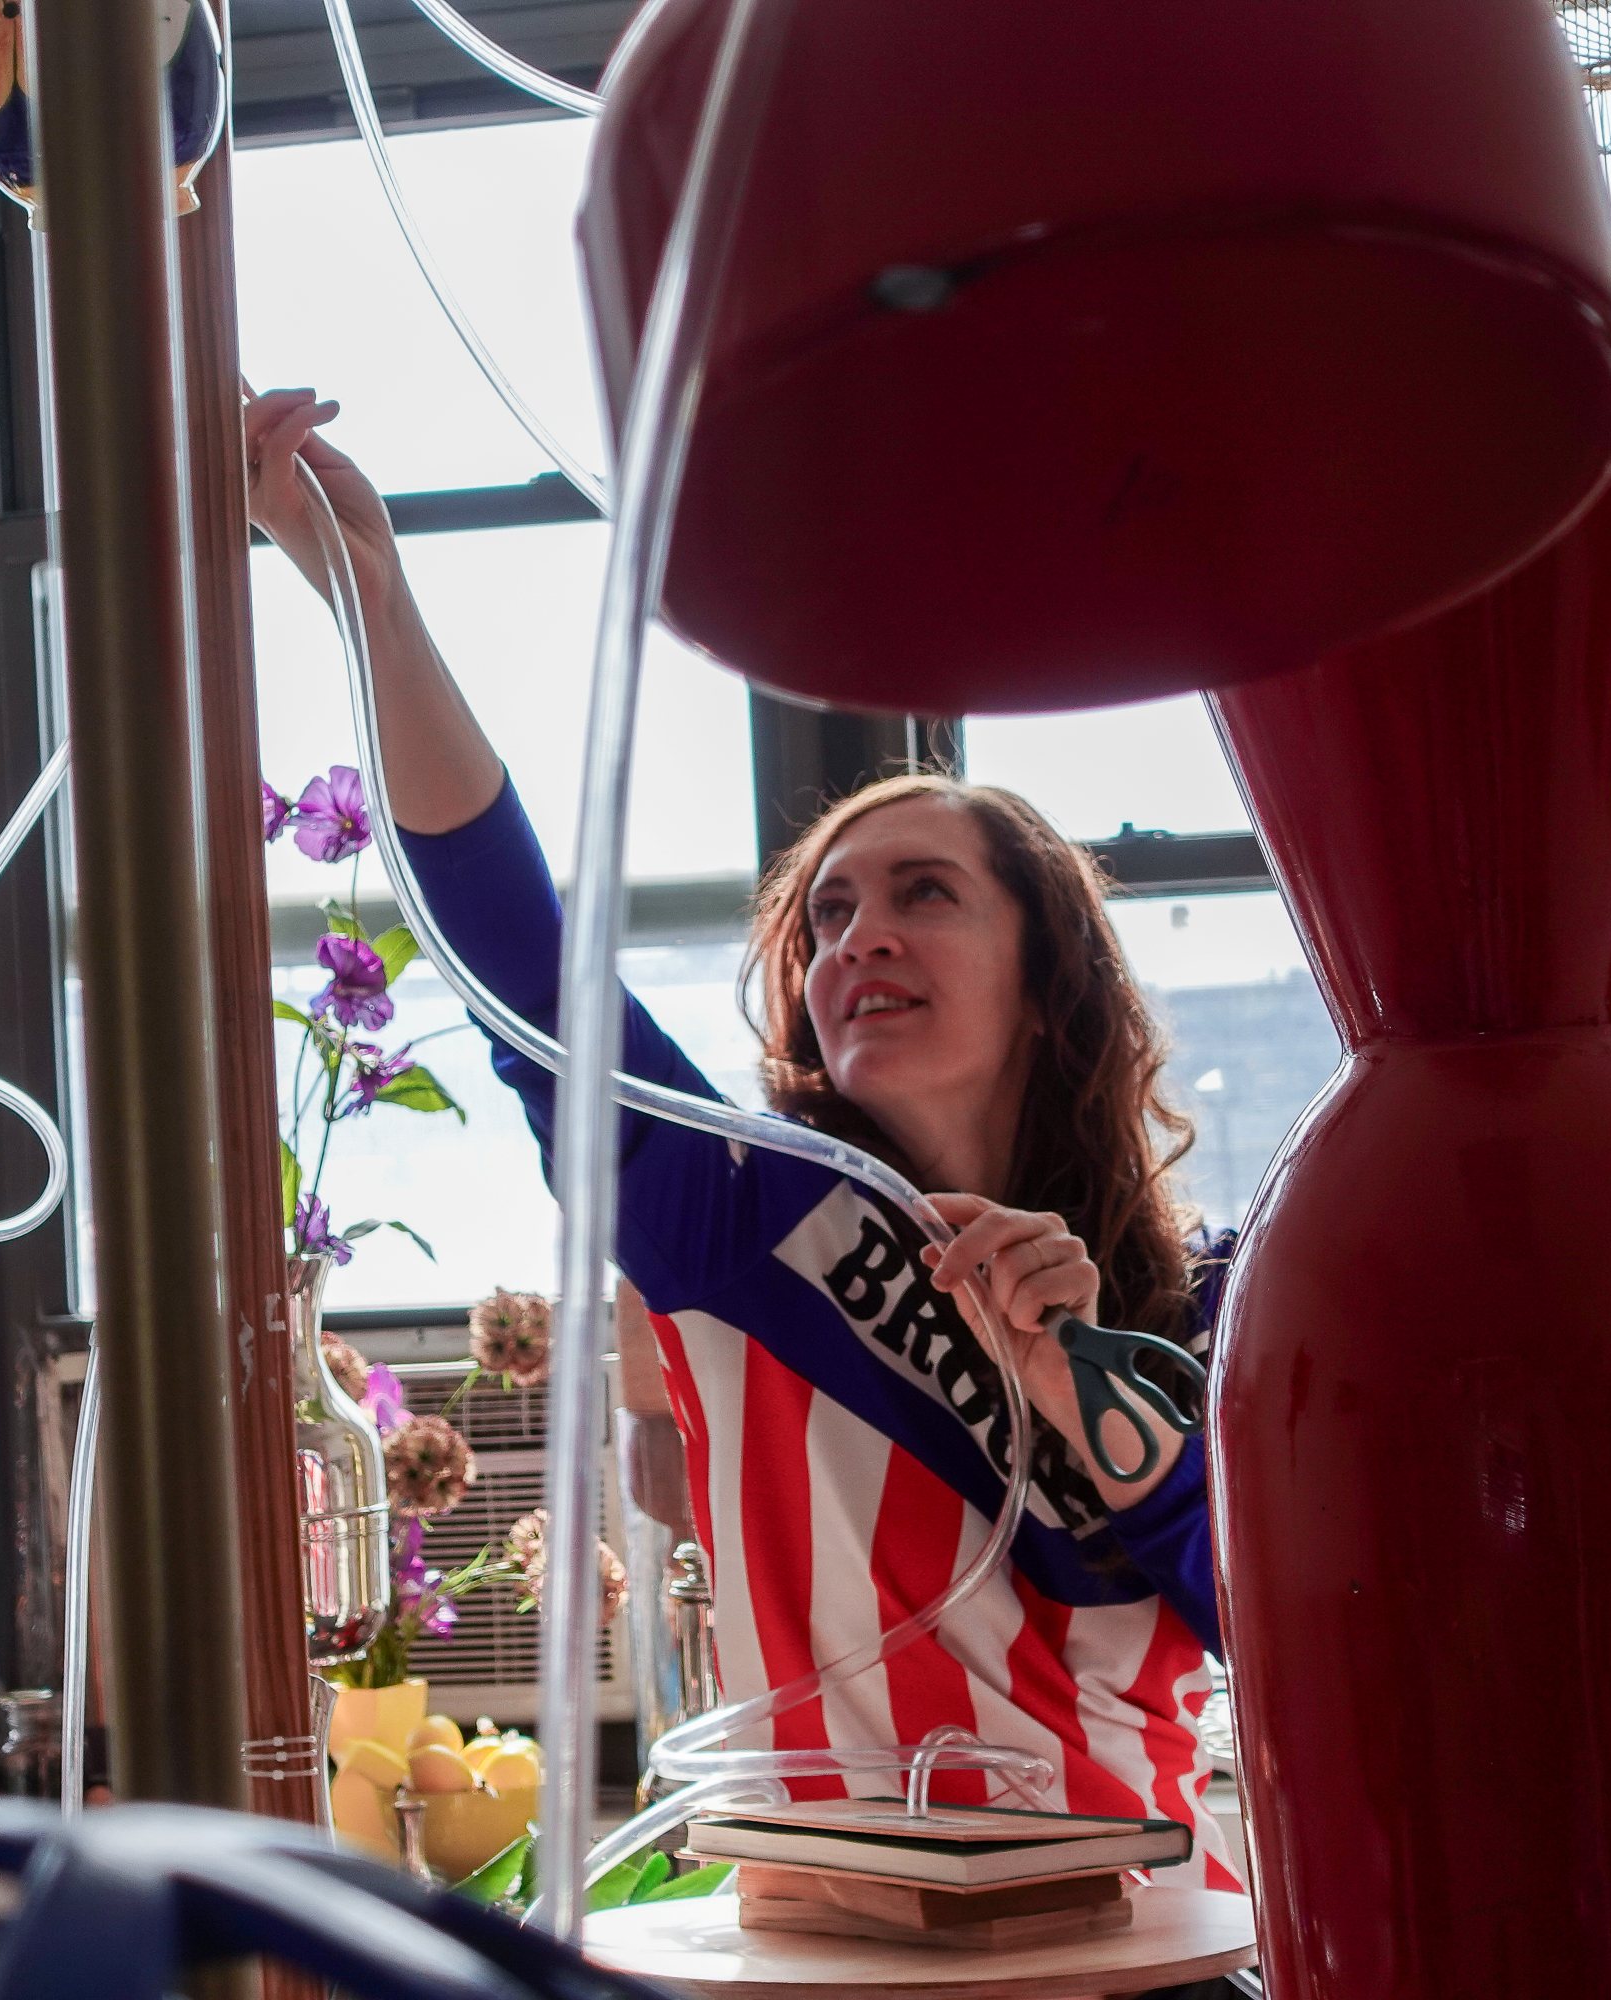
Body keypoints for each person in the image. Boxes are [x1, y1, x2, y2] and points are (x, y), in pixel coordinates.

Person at [246, 388, 1234, 1880]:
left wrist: (1100, 1404)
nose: (858, 939)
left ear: (1048, 985)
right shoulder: (729, 1213)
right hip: (815, 1941)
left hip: (1142, 1930)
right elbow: (528, 960)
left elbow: (1282, 1627)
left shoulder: (1197, 1304)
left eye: (924, 894)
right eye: (827, 915)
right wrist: (370, 594)